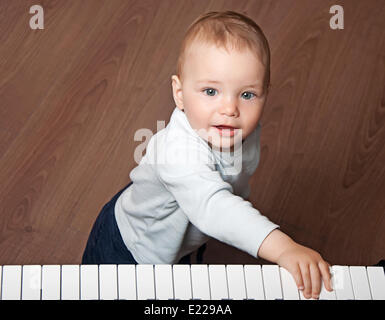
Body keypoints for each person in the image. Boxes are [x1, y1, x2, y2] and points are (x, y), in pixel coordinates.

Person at [82, 10, 333, 300]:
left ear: (265, 94)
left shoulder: (237, 128)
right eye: (211, 91)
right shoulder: (176, 152)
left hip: (186, 229)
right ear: (179, 93)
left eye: (247, 94)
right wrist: (283, 247)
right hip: (131, 246)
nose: (230, 108)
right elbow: (214, 206)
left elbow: (227, 188)